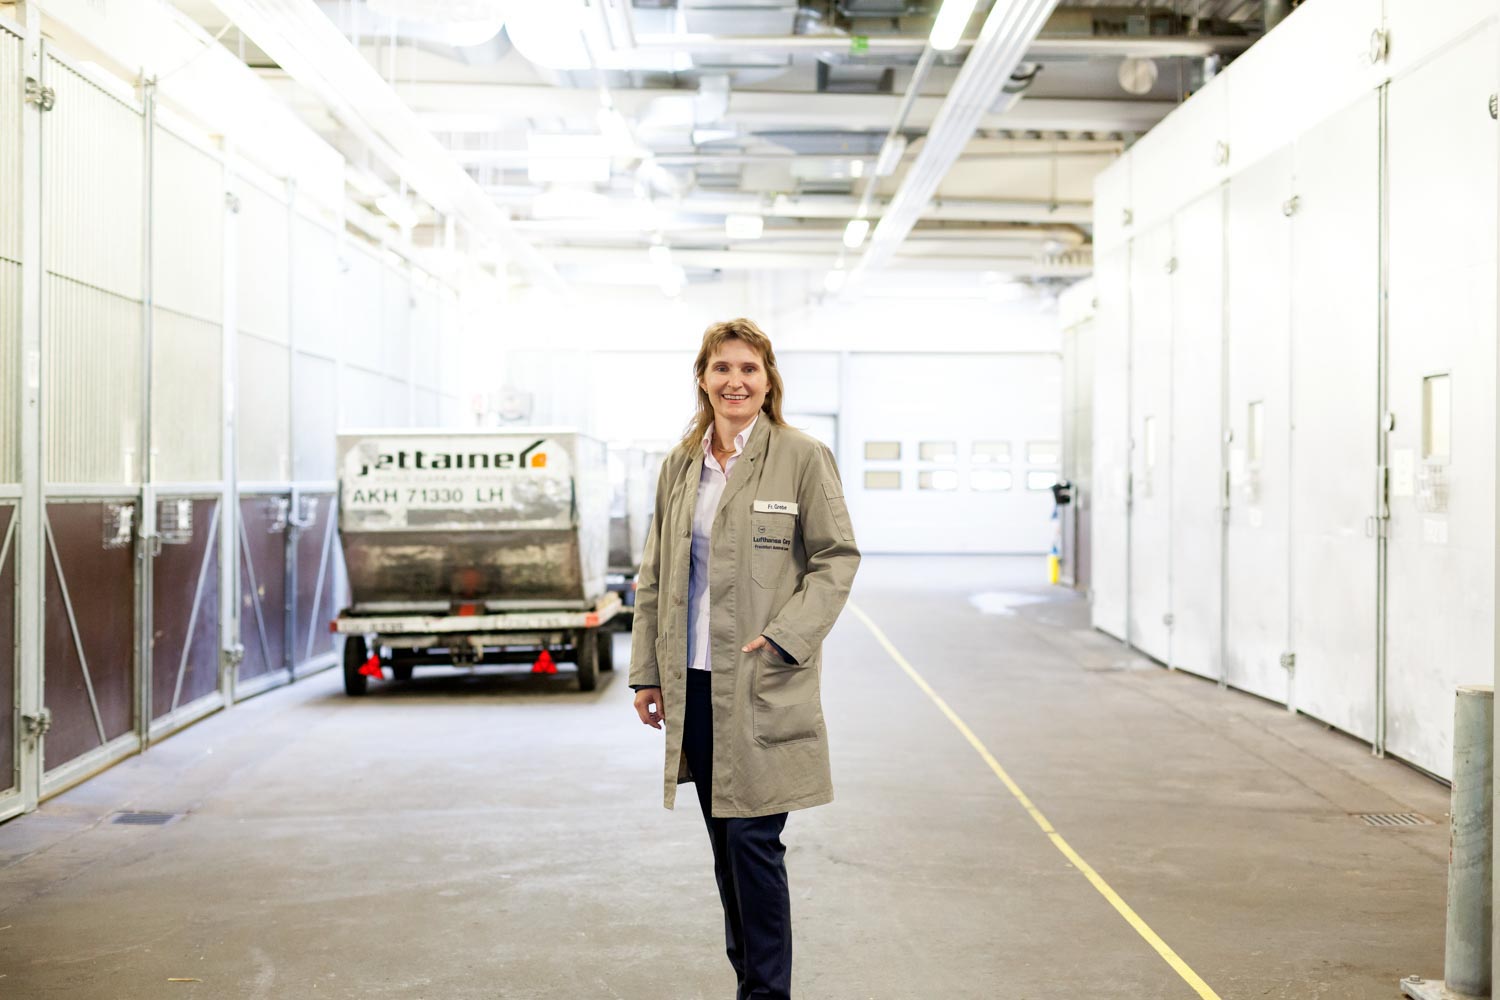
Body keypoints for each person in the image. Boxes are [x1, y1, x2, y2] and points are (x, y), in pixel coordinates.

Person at [629, 317, 861, 1000]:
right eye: (722, 368)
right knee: (726, 854)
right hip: (694, 683)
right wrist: (646, 672)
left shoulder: (801, 456)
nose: (735, 381)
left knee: (754, 845)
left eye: (748, 370)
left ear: (768, 381)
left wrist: (789, 635)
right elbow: (654, 575)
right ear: (703, 378)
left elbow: (835, 559)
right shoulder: (680, 465)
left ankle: (766, 994)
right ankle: (752, 984)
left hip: (761, 683)